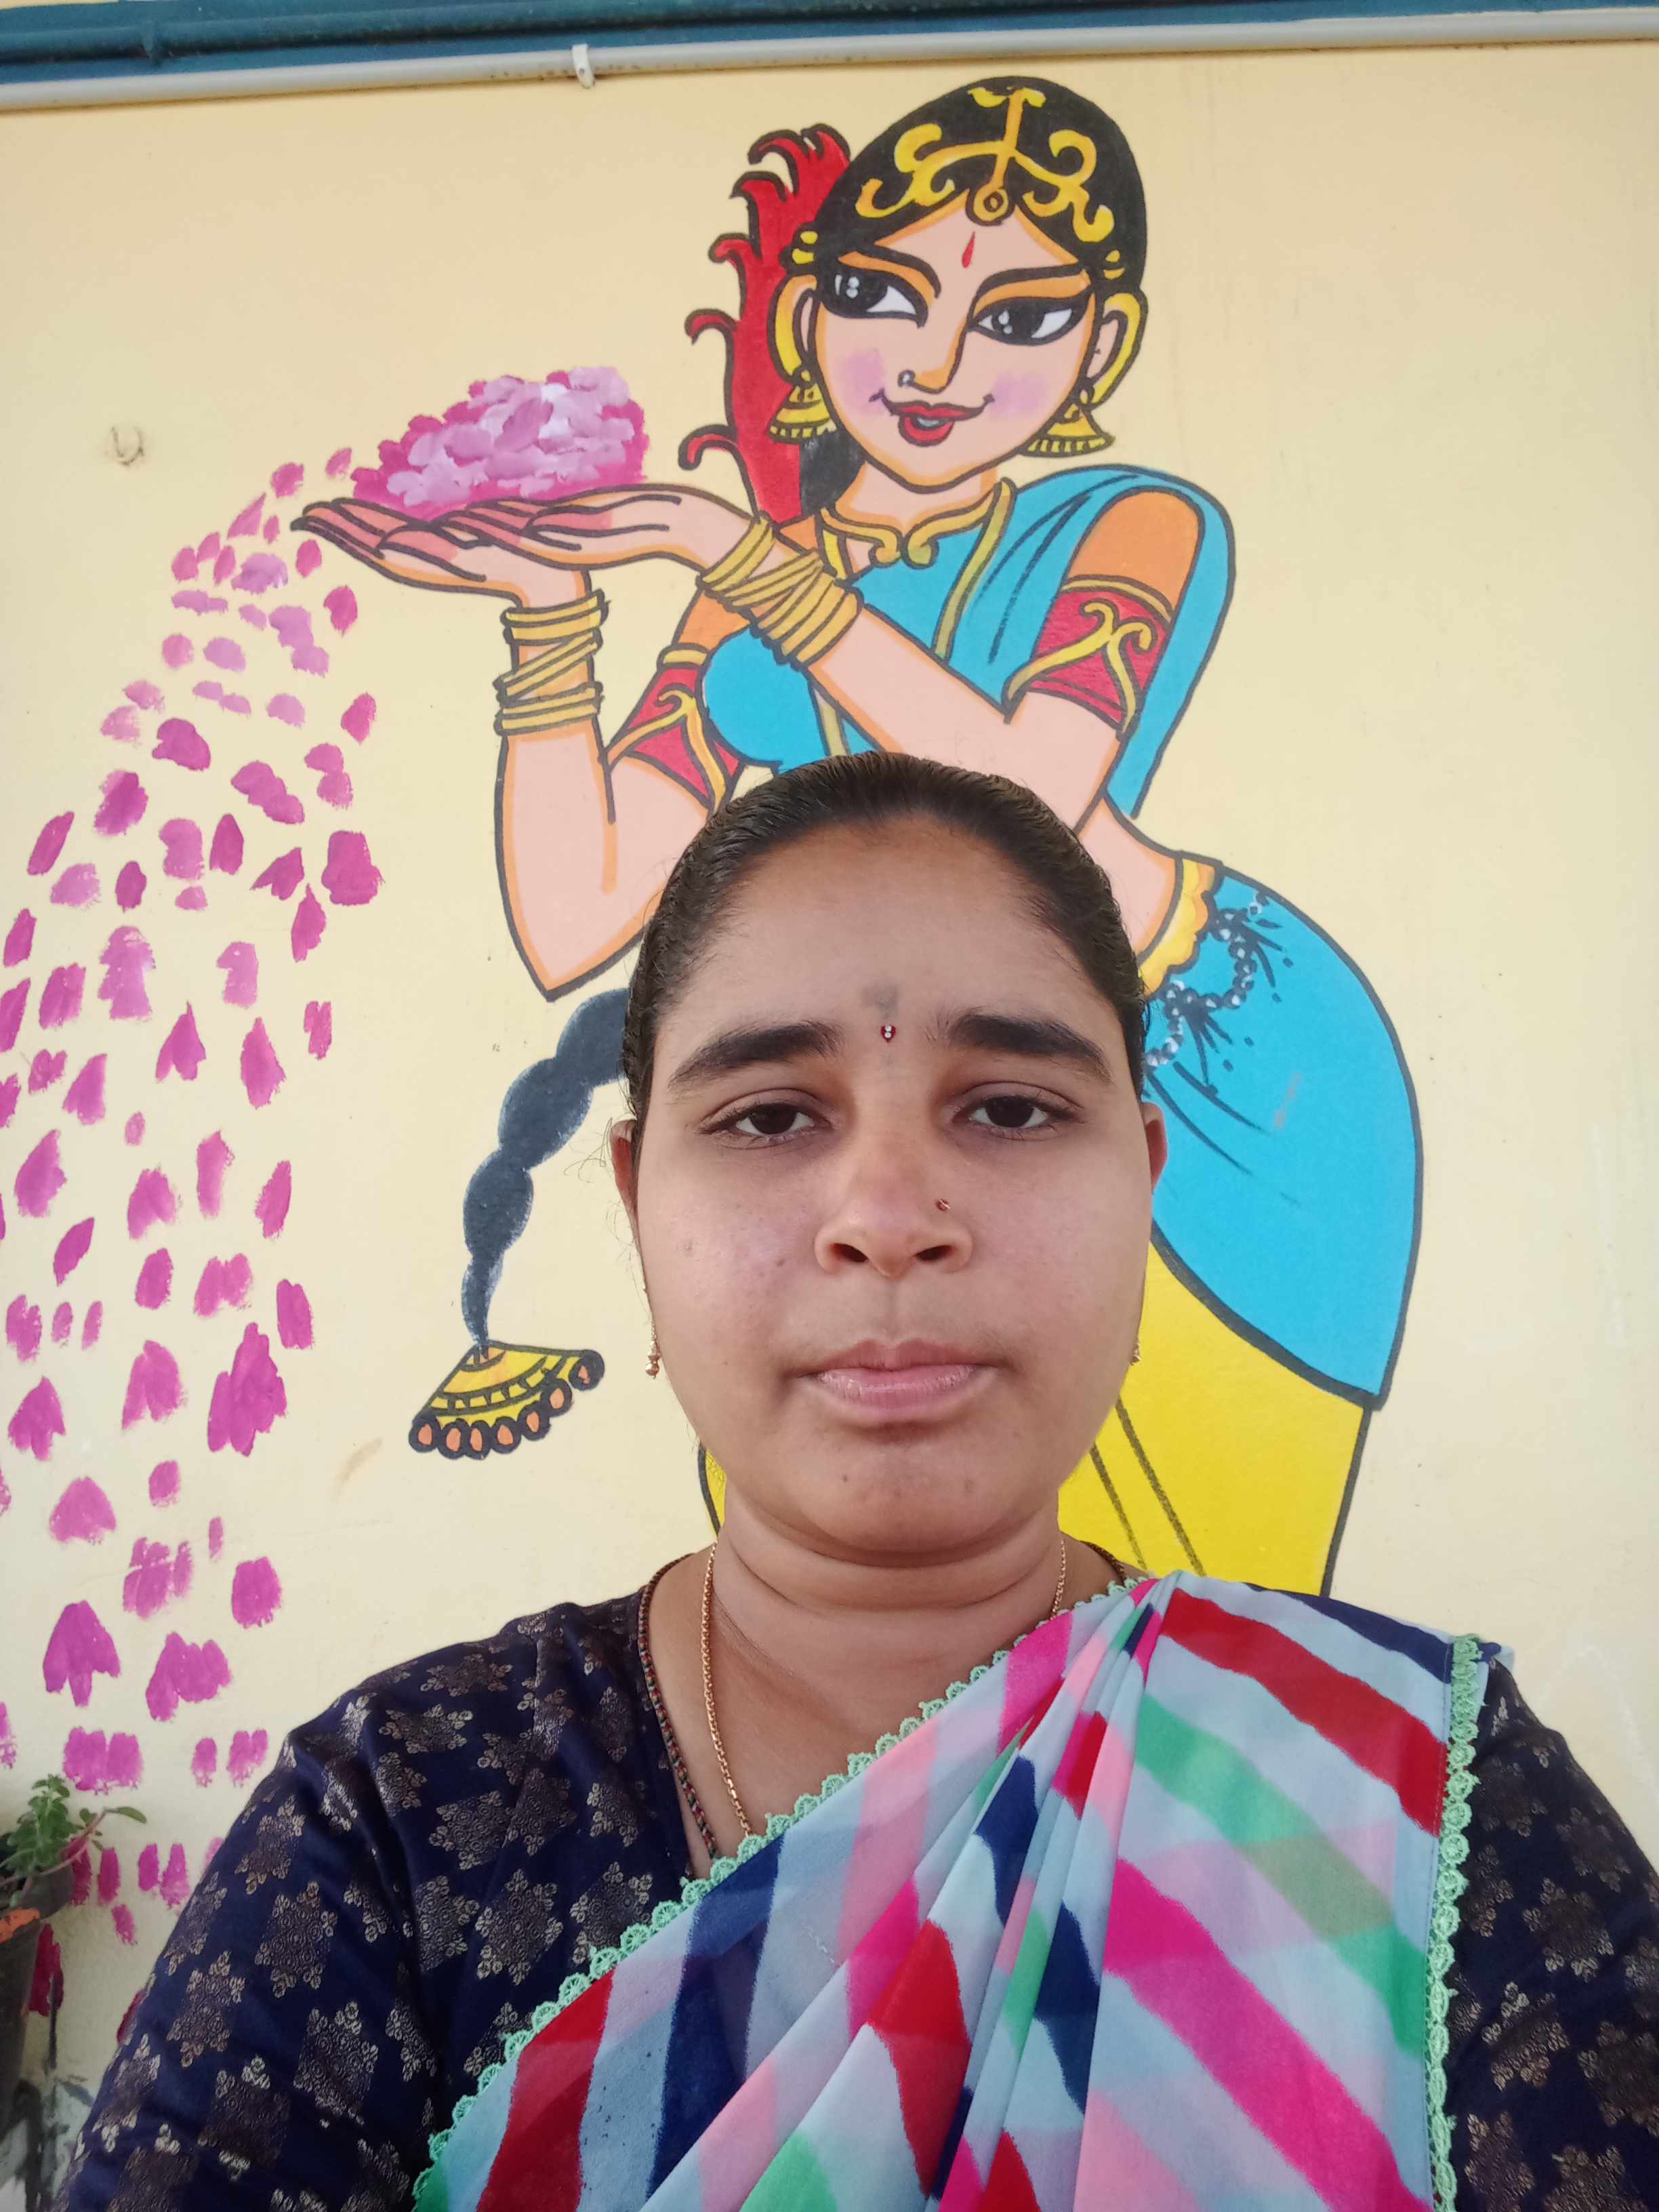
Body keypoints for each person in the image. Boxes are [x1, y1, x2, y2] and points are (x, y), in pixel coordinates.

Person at [59, 756, 1658, 2210]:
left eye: (1012, 1107)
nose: (889, 1215)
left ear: (1144, 1178)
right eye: (768, 1116)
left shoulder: (1417, 1797)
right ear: (637, 1201)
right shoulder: (395, 1825)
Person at [295, 77, 1418, 1595]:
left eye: (1020, 317)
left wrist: (734, 555)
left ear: (1104, 347)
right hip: (860, 1079)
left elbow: (1028, 801)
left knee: (1192, 1622)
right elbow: (579, 909)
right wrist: (549, 618)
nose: (939, 365)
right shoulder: (752, 584)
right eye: (886, 297)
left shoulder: (1133, 522)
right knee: (829, 1570)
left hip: (1217, 1069)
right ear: (807, 314)